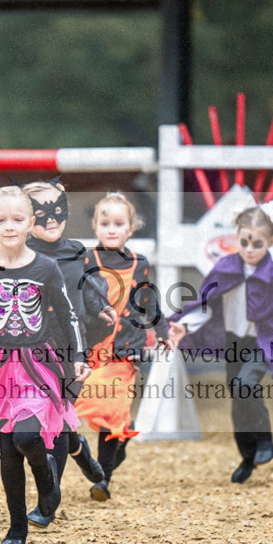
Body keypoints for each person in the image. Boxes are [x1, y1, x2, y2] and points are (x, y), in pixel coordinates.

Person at [0, 186, 90, 544]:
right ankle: (16, 529)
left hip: (37, 364)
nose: (9, 226)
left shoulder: (47, 266)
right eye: (1, 219)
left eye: (17, 219)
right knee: (8, 449)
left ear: (30, 223)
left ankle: (47, 482)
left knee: (28, 437)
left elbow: (68, 313)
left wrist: (78, 356)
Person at [168, 205, 273, 484]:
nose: (250, 249)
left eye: (258, 243)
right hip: (234, 341)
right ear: (236, 237)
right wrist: (185, 325)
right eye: (244, 242)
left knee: (246, 385)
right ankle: (247, 457)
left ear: (271, 241)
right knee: (238, 398)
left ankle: (265, 441)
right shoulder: (225, 268)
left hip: (266, 341)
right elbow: (207, 303)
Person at [22, 179, 112, 524]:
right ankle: (80, 449)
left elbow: (92, 290)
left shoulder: (79, 251)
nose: (51, 218)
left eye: (57, 208)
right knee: (40, 422)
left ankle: (48, 503)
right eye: (40, 211)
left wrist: (102, 308)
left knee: (55, 420)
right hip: (27, 351)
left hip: (71, 348)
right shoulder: (19, 254)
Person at [74, 192, 165, 501]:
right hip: (93, 346)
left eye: (118, 223)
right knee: (95, 405)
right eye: (105, 223)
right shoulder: (86, 258)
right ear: (95, 227)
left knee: (110, 414)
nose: (111, 229)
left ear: (130, 228)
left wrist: (161, 330)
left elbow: (148, 301)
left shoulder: (140, 263)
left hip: (125, 350)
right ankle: (124, 433)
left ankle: (103, 480)